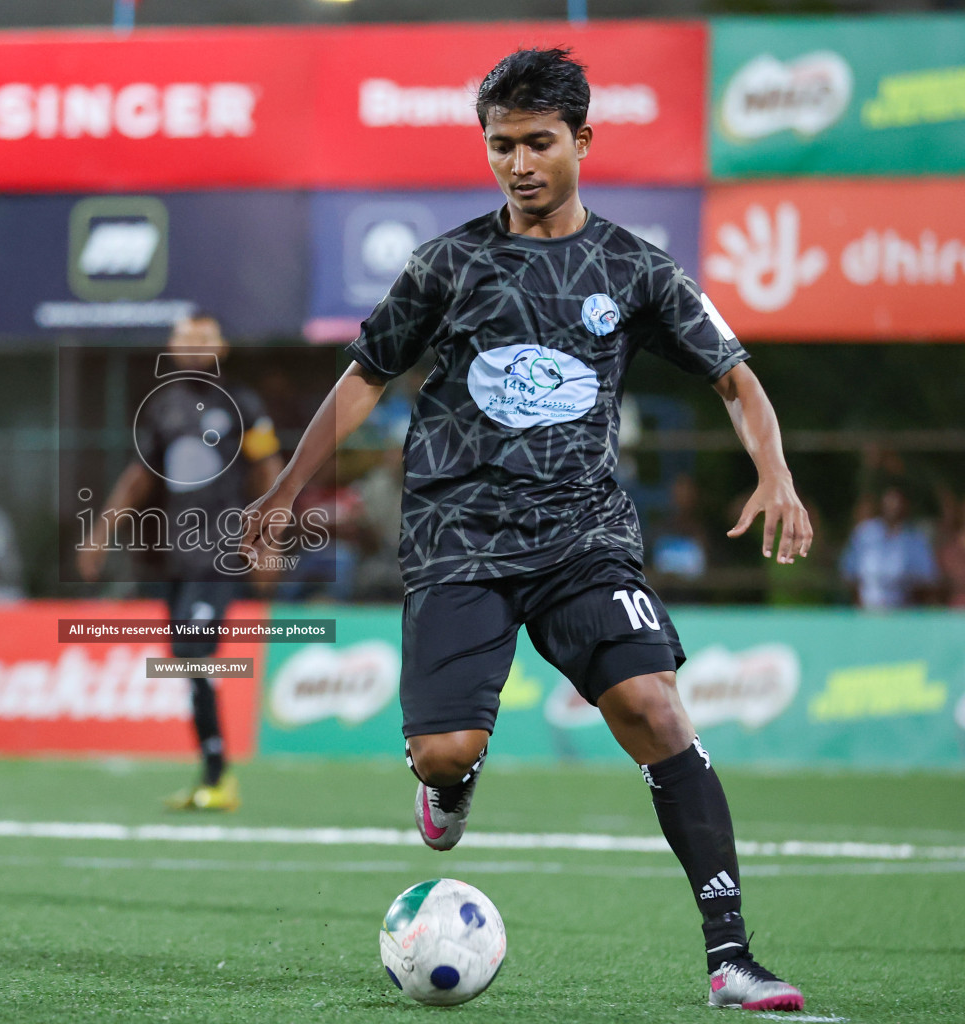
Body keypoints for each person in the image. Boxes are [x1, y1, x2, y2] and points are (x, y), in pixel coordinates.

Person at [242, 49, 811, 1012]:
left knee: (656, 710)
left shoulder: (633, 268)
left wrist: (777, 473)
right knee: (446, 751)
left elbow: (735, 378)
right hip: (457, 534)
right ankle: (449, 787)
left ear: (582, 141)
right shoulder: (449, 263)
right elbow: (365, 377)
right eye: (501, 145)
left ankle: (732, 959)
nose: (519, 163)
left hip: (583, 536)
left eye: (539, 142)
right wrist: (290, 489)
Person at [79, 313, 283, 811]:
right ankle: (212, 775)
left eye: (205, 338)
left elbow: (269, 471)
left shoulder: (244, 404)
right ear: (171, 347)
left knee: (195, 651)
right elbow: (139, 477)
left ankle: (218, 775)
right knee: (187, 658)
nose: (195, 346)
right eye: (186, 338)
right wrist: (102, 531)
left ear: (224, 347)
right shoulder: (161, 409)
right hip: (175, 556)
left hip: (222, 553)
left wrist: (268, 542)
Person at [840, 486, 938, 610]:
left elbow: (928, 579)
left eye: (896, 503)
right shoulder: (864, 534)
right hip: (867, 611)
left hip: (904, 613)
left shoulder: (915, 539)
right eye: (889, 503)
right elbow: (849, 574)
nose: (892, 507)